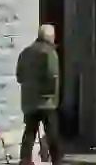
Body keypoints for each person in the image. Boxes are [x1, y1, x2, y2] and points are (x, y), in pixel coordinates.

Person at [17, 23, 62, 165]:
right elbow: (53, 75)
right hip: (46, 101)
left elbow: (19, 76)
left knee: (30, 131)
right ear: (50, 37)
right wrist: (52, 95)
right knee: (52, 133)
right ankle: (57, 160)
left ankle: (24, 160)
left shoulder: (25, 53)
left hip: (29, 100)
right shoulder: (50, 53)